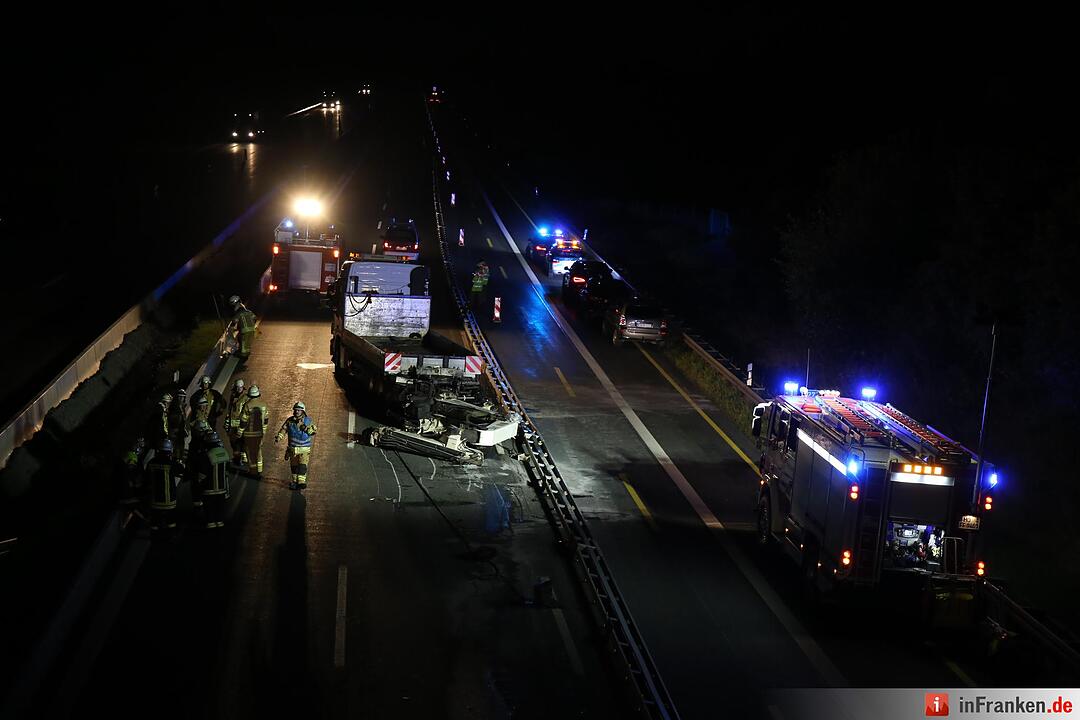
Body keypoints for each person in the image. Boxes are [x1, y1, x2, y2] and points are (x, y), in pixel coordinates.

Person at [192, 426, 230, 528]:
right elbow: (227, 471)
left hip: (209, 489)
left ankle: (211, 529)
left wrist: (198, 483)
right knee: (219, 510)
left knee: (210, 512)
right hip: (222, 489)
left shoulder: (207, 455)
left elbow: (202, 473)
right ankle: (220, 526)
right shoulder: (224, 453)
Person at [275, 401, 317, 490]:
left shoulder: (308, 421)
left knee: (302, 466)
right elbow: (283, 430)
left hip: (304, 449)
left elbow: (313, 432)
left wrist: (304, 428)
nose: (297, 411)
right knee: (294, 467)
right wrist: (279, 437)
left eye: (299, 410)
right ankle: (294, 482)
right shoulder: (289, 421)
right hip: (292, 449)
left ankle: (301, 482)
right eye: (295, 410)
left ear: (303, 411)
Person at [147, 438, 181, 537]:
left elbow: (146, 477)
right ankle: (171, 537)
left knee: (155, 521)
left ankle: (154, 537)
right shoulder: (171, 463)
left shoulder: (152, 462)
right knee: (171, 521)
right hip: (169, 500)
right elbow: (181, 469)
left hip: (155, 500)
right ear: (170, 451)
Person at [238, 385, 269, 478]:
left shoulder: (247, 405)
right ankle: (259, 470)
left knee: (250, 453)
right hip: (259, 433)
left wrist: (239, 431)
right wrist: (263, 431)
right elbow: (266, 419)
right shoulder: (264, 404)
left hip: (249, 434)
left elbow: (243, 420)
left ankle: (253, 471)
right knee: (258, 451)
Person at [224, 378, 248, 466]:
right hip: (233, 424)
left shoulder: (245, 398)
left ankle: (240, 459)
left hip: (240, 424)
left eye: (238, 388)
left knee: (239, 443)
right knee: (234, 443)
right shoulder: (233, 396)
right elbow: (230, 410)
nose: (237, 390)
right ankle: (238, 459)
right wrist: (227, 421)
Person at [228, 295, 257, 363]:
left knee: (243, 342)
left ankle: (243, 355)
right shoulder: (248, 311)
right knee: (245, 342)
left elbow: (234, 321)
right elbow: (255, 318)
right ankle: (244, 352)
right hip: (252, 329)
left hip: (244, 330)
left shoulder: (239, 312)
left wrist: (232, 327)